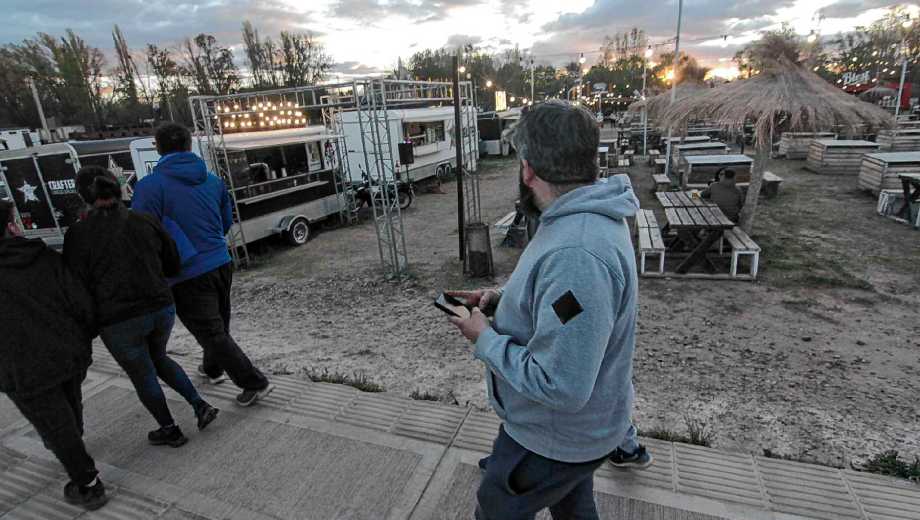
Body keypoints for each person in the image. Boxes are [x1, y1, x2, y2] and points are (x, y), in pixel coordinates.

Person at [447, 100, 649, 520]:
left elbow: (562, 385)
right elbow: (567, 305)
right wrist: (500, 300)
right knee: (574, 508)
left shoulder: (577, 251)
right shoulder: (581, 220)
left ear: (528, 169)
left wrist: (484, 338)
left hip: (552, 438)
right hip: (580, 435)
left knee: (496, 509)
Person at [64, 167, 219, 447]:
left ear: (82, 196)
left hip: (117, 320)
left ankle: (169, 429)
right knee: (159, 357)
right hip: (161, 307)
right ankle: (199, 405)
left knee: (143, 373)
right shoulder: (143, 220)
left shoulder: (77, 234)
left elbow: (75, 285)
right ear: (118, 188)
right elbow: (173, 262)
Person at [132, 123, 274, 406]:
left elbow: (141, 234)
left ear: (157, 148)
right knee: (217, 326)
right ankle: (212, 368)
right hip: (221, 262)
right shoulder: (212, 180)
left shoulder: (149, 186)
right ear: (189, 145)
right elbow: (225, 221)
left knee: (211, 331)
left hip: (186, 272)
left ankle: (254, 383)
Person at [0, 199, 108, 510]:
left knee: (55, 426)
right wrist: (82, 338)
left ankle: (88, 484)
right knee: (69, 408)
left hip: (21, 369)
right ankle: (73, 442)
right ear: (9, 226)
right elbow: (78, 299)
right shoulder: (42, 256)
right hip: (66, 352)